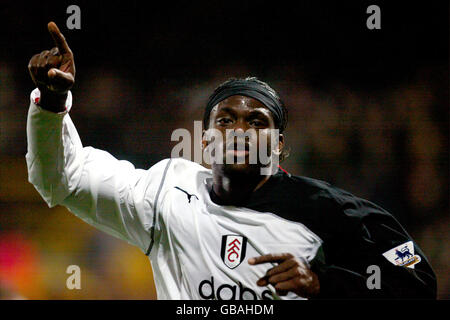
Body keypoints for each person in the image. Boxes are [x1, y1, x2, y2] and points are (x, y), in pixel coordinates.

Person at [26, 22, 437, 300]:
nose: (239, 129)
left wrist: (324, 284)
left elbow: (418, 283)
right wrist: (53, 104)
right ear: (206, 139)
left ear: (279, 146)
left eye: (256, 122)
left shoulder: (328, 211)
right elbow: (65, 177)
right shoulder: (166, 194)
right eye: (225, 119)